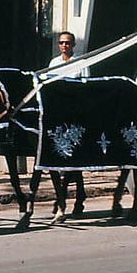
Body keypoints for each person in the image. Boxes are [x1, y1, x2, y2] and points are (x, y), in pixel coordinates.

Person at [47, 31, 89, 218]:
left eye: (68, 43)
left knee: (75, 157)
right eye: (62, 43)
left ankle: (74, 196)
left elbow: (86, 87)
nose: (65, 46)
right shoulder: (54, 64)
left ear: (73, 45)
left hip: (75, 114)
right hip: (57, 113)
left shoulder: (81, 63)